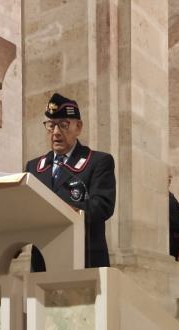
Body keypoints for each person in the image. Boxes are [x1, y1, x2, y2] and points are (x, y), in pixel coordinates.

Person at [25, 93, 116, 269]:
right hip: (43, 263)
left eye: (63, 125)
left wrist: (61, 211)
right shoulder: (33, 167)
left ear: (78, 127)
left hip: (83, 258)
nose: (56, 133)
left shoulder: (98, 161)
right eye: (51, 126)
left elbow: (102, 206)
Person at [168, 175, 179, 260]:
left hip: (175, 236)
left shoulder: (172, 197)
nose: (170, 178)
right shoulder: (163, 196)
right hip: (169, 235)